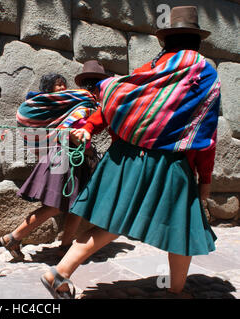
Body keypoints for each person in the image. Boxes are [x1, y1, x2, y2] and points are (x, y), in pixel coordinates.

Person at [40, 6, 221, 299]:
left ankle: (58, 271)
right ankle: (176, 291)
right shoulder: (204, 72)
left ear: (167, 40)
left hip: (123, 158)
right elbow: (205, 134)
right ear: (197, 40)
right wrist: (205, 180)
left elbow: (117, 99)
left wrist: (88, 126)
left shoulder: (149, 70)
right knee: (183, 229)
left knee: (111, 225)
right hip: (168, 165)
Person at [0, 62, 109, 259]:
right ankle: (14, 237)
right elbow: (68, 131)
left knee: (77, 204)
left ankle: (65, 247)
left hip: (76, 159)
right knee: (56, 206)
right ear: (98, 86)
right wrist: (85, 145)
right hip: (66, 157)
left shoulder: (79, 103)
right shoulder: (83, 105)